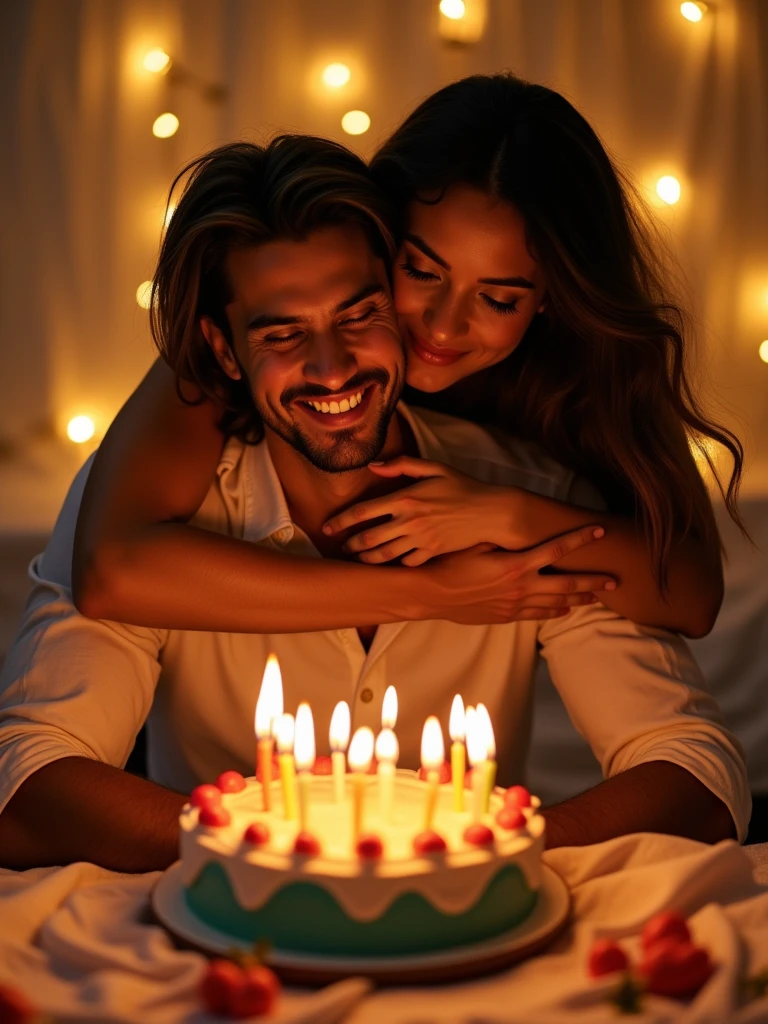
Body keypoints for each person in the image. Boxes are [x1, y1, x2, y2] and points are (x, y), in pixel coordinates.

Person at [0, 136, 749, 873]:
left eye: (358, 315)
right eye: (283, 332)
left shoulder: (537, 495)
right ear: (224, 351)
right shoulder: (146, 504)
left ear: (392, 304)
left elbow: (697, 775)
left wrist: (481, 857)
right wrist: (266, 858)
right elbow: (24, 780)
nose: (331, 368)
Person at [70, 74, 745, 642]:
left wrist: (505, 515)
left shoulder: (595, 374)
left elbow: (690, 595)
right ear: (374, 235)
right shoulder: (260, 346)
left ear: (548, 300)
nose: (444, 326)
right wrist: (426, 593)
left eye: (500, 300)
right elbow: (113, 568)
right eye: (420, 272)